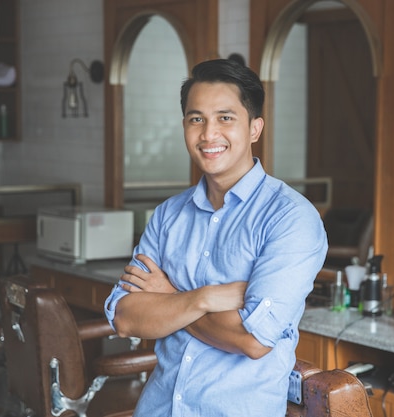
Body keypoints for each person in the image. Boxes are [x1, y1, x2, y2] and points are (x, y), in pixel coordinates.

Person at [104, 58, 328, 417]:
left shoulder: (290, 217)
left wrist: (170, 298)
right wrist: (207, 298)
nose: (208, 135)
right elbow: (126, 317)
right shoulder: (168, 215)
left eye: (225, 118)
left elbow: (254, 340)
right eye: (197, 119)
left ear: (255, 128)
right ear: (184, 126)